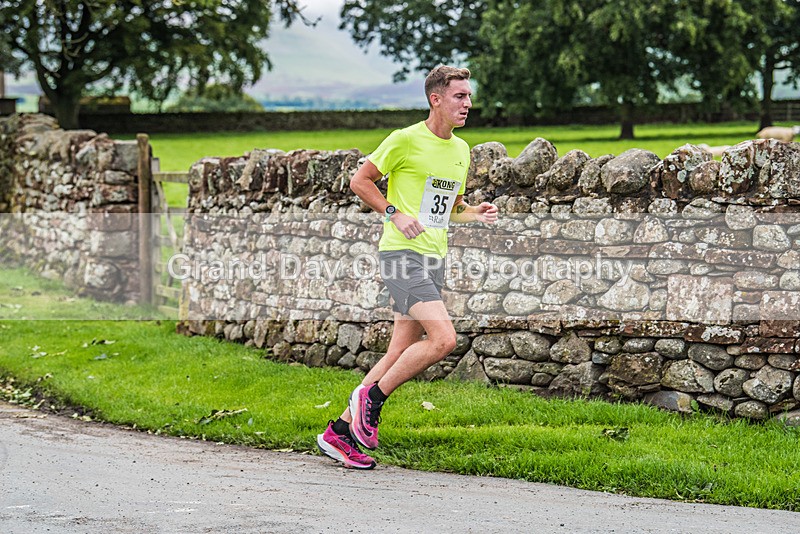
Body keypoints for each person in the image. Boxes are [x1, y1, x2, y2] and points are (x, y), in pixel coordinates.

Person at [316, 65, 499, 469]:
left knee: (399, 350)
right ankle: (372, 400)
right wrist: (393, 212)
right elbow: (360, 181)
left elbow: (447, 209)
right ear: (436, 99)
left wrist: (474, 213)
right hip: (401, 255)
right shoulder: (405, 140)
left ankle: (339, 433)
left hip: (434, 257)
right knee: (444, 339)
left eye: (469, 96)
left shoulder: (461, 150)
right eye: (459, 96)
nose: (468, 103)